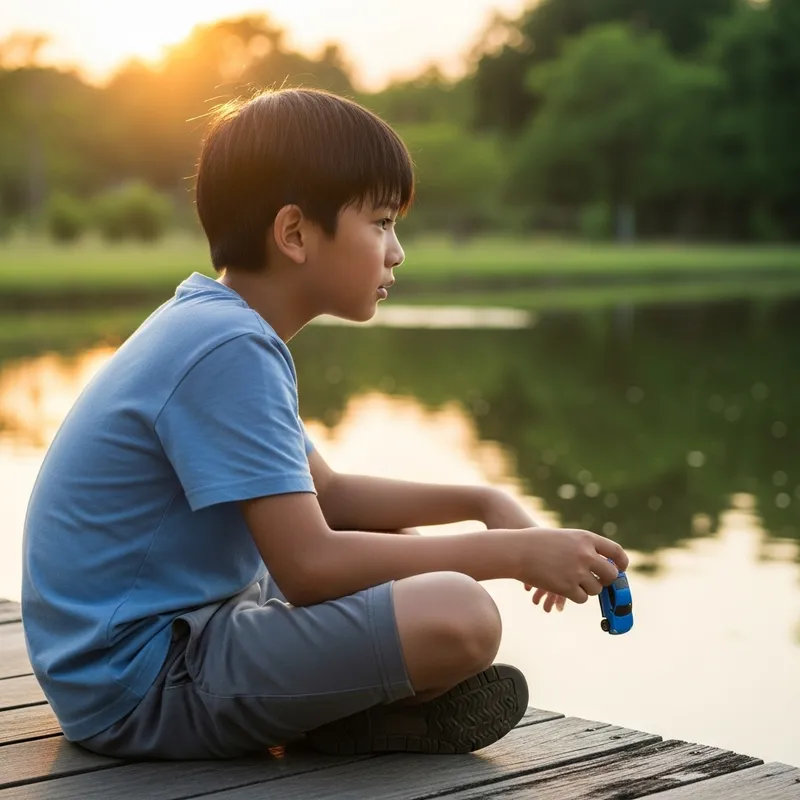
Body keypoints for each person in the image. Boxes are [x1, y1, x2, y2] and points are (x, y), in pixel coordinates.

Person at [21, 88, 629, 761]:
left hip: (158, 650)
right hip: (141, 683)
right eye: (381, 223)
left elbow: (330, 495)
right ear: (295, 233)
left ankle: (343, 714)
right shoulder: (227, 348)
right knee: (460, 616)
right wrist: (512, 556)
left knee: (393, 543)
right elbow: (308, 566)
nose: (396, 252)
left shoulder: (217, 325)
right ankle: (343, 713)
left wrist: (483, 503)